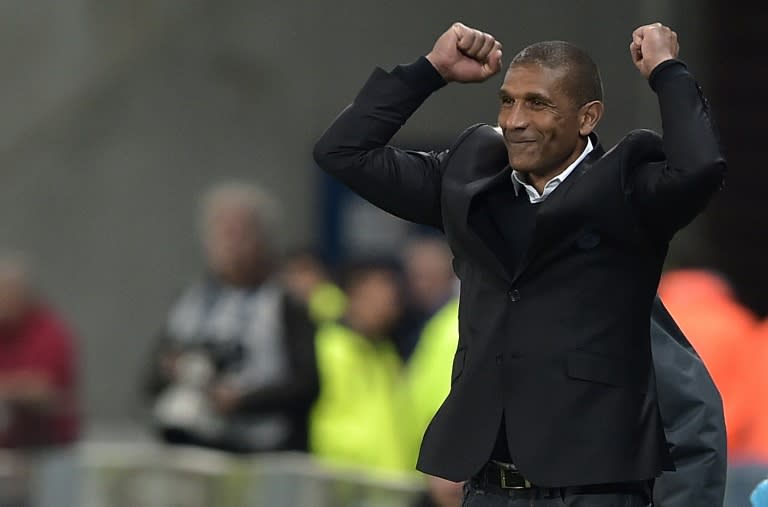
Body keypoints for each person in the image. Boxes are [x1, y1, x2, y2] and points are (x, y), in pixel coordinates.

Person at [314, 20, 726, 506]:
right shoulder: (469, 180)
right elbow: (342, 152)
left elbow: (699, 168)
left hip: (593, 493)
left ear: (587, 117)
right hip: (489, 490)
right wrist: (430, 71)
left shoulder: (626, 188)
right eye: (506, 100)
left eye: (538, 103)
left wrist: (667, 70)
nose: (514, 120)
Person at [144, 181, 318, 454]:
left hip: (262, 451)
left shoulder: (283, 303)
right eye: (221, 234)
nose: (229, 245)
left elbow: (308, 384)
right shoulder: (192, 300)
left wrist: (243, 401)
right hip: (194, 444)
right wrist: (175, 370)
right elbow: (151, 376)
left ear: (262, 240)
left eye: (239, 234)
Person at [309, 259, 410, 472]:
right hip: (345, 478)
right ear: (356, 295)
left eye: (392, 302)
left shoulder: (386, 353)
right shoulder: (328, 347)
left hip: (390, 479)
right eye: (378, 299)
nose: (387, 310)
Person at [0, 253, 80, 507]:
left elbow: (45, 389)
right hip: (8, 452)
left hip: (50, 452)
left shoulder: (49, 330)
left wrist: (11, 388)